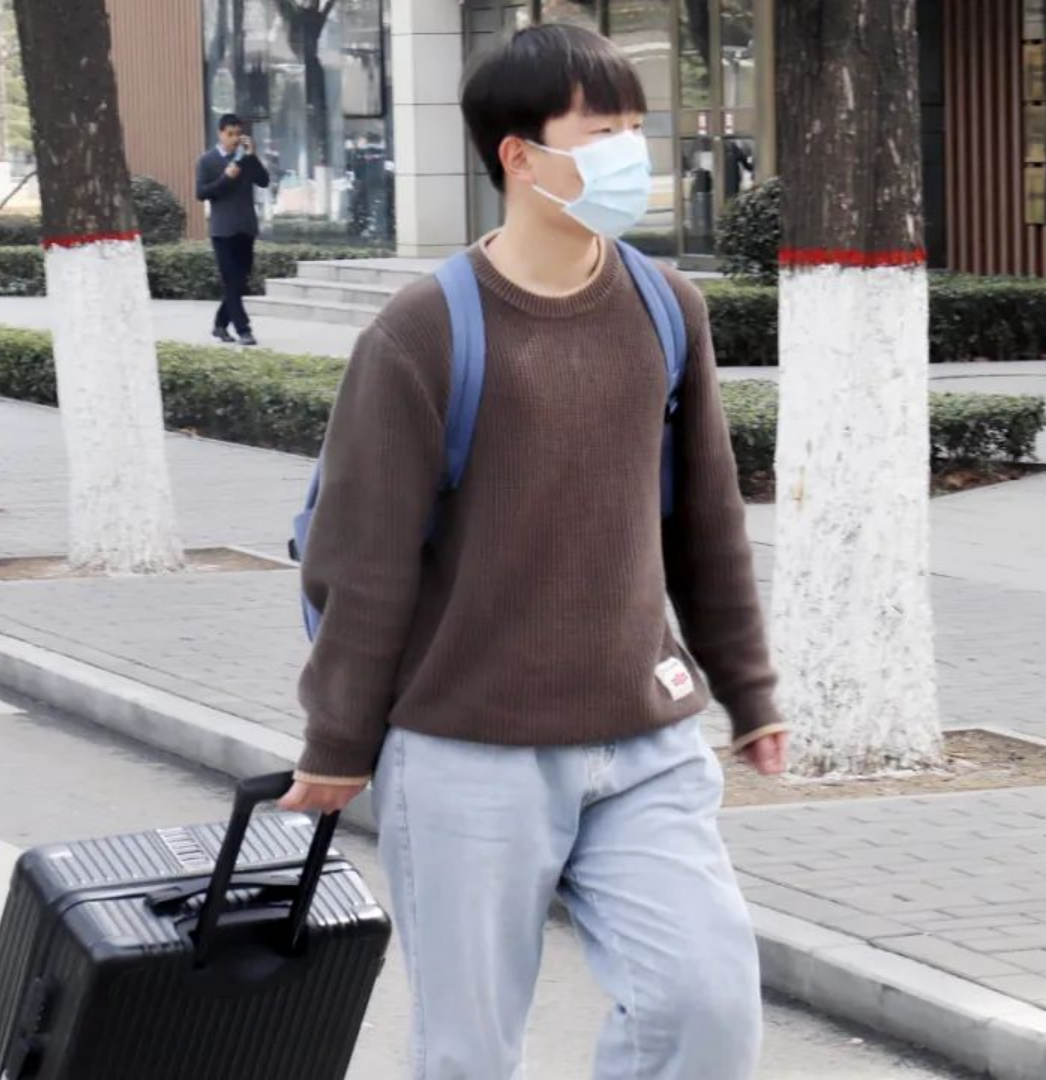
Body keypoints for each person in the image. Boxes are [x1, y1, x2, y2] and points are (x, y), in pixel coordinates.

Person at [280, 24, 786, 1080]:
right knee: (470, 1054)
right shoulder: (425, 329)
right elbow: (362, 561)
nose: (633, 155)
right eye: (603, 133)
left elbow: (704, 518)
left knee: (705, 1007)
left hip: (644, 742)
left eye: (638, 128)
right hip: (468, 751)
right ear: (520, 154)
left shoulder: (665, 305)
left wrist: (749, 689)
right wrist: (338, 743)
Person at [195, 113, 269, 346]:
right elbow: (201, 193)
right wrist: (226, 178)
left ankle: (220, 324)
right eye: (230, 134)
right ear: (220, 134)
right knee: (231, 281)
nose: (235, 139)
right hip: (222, 230)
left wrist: (252, 156)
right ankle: (243, 329)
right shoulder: (207, 161)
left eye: (238, 134)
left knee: (240, 282)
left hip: (246, 227)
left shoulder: (246, 159)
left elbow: (264, 181)